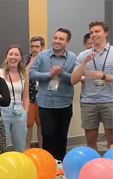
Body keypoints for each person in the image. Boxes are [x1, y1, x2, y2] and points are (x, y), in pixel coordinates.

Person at [30, 28, 77, 161]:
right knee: (48, 135)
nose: (57, 41)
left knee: (61, 137)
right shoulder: (42, 56)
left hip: (64, 103)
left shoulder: (73, 58)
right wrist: (49, 74)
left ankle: (61, 165)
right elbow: (32, 74)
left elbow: (75, 78)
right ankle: (48, 163)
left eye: (61, 39)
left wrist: (63, 74)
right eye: (55, 38)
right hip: (46, 103)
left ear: (67, 42)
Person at [71, 21, 113, 150]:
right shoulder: (84, 55)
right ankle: (93, 166)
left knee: (111, 142)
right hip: (89, 102)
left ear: (106, 33)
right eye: (91, 32)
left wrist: (102, 76)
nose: (94, 34)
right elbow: (73, 80)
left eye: (97, 31)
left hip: (110, 101)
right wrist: (84, 63)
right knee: (90, 142)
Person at [0, 45, 29, 152]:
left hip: (19, 111)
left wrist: (25, 113)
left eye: (16, 55)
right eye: (10, 54)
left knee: (20, 145)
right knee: (1, 144)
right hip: (3, 111)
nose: (13, 57)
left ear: (20, 58)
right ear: (6, 57)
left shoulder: (24, 74)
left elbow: (26, 96)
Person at [25, 36, 45, 149]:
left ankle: (42, 150)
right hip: (30, 97)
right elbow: (23, 74)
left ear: (42, 47)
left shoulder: (46, 59)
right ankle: (26, 149)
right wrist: (31, 62)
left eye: (37, 46)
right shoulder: (24, 59)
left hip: (43, 98)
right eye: (32, 46)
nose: (34, 49)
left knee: (42, 126)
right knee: (28, 126)